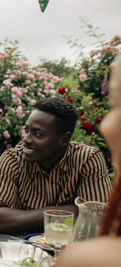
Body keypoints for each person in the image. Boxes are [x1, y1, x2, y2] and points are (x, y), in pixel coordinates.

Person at [0, 97, 112, 234]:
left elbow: (97, 220)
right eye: (26, 130)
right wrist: (61, 212)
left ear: (64, 139)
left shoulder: (86, 160)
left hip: (68, 250)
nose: (26, 138)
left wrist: (23, 218)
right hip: (20, 251)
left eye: (37, 133)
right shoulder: (13, 159)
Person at [54, 56, 121, 267]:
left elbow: (92, 212)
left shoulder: (94, 259)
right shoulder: (14, 157)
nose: (105, 125)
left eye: (114, 106)